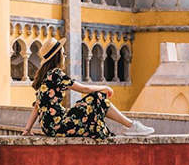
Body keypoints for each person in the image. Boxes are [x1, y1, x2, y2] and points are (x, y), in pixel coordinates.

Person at [22, 37, 154, 139]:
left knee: (96, 100)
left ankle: (131, 126)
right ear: (58, 56)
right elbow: (83, 89)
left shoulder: (45, 77)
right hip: (58, 124)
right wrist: (104, 87)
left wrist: (27, 129)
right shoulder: (56, 74)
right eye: (63, 53)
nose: (65, 56)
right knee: (98, 98)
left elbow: (36, 107)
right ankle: (131, 126)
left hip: (49, 126)